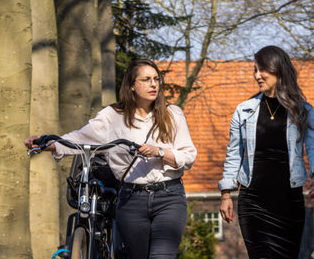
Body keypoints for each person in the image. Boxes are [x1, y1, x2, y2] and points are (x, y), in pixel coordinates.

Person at [25, 59, 197, 258]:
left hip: (169, 196)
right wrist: (47, 143)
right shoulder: (112, 116)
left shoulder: (172, 114)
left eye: (156, 79)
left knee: (162, 256)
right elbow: (79, 138)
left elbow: (188, 155)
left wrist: (159, 152)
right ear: (132, 85)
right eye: (146, 79)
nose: (153, 84)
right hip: (131, 199)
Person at [218, 45, 314, 259]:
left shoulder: (302, 110)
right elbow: (233, 154)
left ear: (278, 69)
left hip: (288, 201)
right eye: (255, 70)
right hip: (253, 200)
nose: (257, 75)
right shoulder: (243, 111)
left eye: (262, 69)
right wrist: (226, 193)